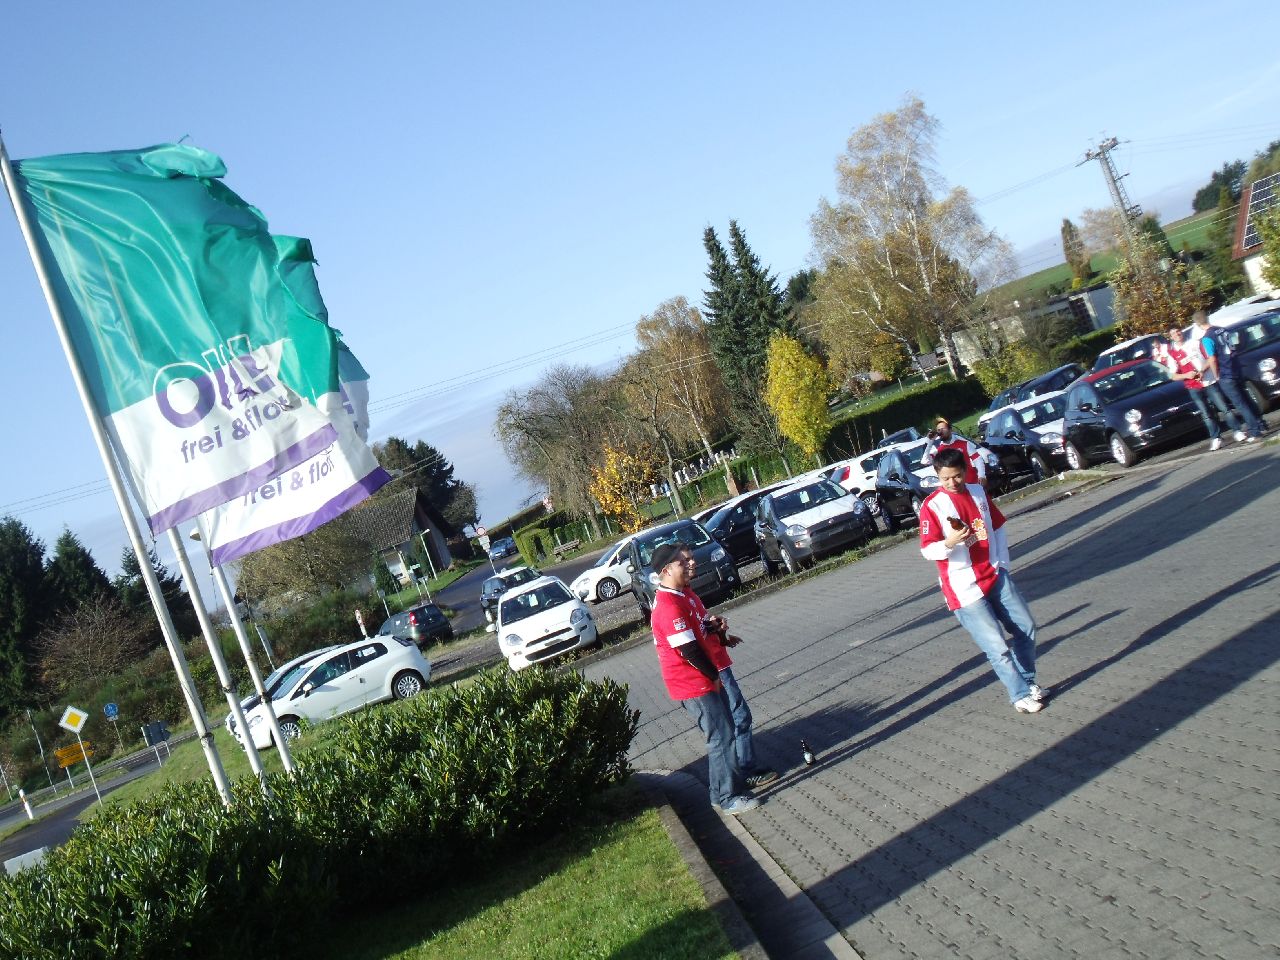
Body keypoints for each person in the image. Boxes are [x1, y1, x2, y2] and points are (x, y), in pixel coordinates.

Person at [919, 447, 1044, 714]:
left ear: (965, 471)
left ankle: (1028, 681)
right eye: (945, 479)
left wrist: (1003, 565)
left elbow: (996, 526)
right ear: (937, 477)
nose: (952, 483)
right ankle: (1019, 695)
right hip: (964, 589)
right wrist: (949, 543)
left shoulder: (977, 492)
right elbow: (928, 550)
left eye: (957, 476)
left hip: (995, 574)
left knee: (1026, 626)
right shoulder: (932, 506)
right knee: (997, 647)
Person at [648, 542, 760, 814]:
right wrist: (714, 677)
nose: (688, 565)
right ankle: (728, 797)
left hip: (703, 681)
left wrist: (715, 628)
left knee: (724, 735)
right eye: (680, 563)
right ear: (666, 570)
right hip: (694, 685)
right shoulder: (668, 606)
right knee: (721, 738)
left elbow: (698, 629)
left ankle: (719, 792)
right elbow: (689, 652)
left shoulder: (682, 595)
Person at [688, 596, 779, 790]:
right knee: (738, 718)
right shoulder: (677, 599)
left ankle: (745, 768)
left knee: (739, 717)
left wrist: (721, 634)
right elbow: (689, 642)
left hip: (720, 664)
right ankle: (745, 771)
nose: (692, 564)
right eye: (685, 563)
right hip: (714, 670)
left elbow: (703, 628)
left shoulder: (690, 595)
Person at [1189, 310, 1265, 442]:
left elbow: (1212, 359)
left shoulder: (1207, 338)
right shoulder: (1222, 330)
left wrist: (1216, 374)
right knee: (1247, 398)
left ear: (1197, 324)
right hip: (1236, 367)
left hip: (1225, 373)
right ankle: (1260, 423)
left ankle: (1254, 431)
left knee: (1240, 404)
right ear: (1207, 318)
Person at [1160, 324, 1223, 451]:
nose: (1177, 334)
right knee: (1206, 414)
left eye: (1178, 331)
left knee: (1224, 407)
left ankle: (1238, 430)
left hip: (1208, 381)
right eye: (1174, 333)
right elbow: (1172, 375)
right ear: (1171, 337)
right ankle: (1216, 438)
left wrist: (1202, 371)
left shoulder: (1194, 343)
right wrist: (1186, 375)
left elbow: (1209, 359)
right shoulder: (1172, 354)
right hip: (1193, 386)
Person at [922, 416, 988, 487]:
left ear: (950, 430)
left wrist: (982, 475)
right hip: (955, 487)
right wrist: (930, 441)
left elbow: (977, 459)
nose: (940, 431)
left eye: (943, 429)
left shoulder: (964, 444)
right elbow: (925, 461)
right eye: (938, 430)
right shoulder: (939, 450)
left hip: (972, 483)